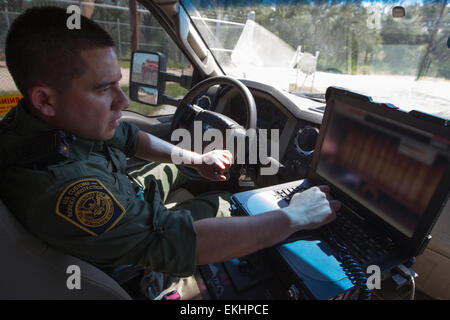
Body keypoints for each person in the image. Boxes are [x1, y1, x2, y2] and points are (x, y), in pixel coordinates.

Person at [0, 6, 339, 298]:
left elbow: (131, 139)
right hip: (128, 260)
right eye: (104, 89)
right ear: (44, 99)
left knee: (183, 163)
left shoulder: (36, 124)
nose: (122, 101)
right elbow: (183, 242)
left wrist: (197, 158)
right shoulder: (67, 189)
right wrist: (295, 216)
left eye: (119, 83)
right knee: (227, 201)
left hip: (125, 190)